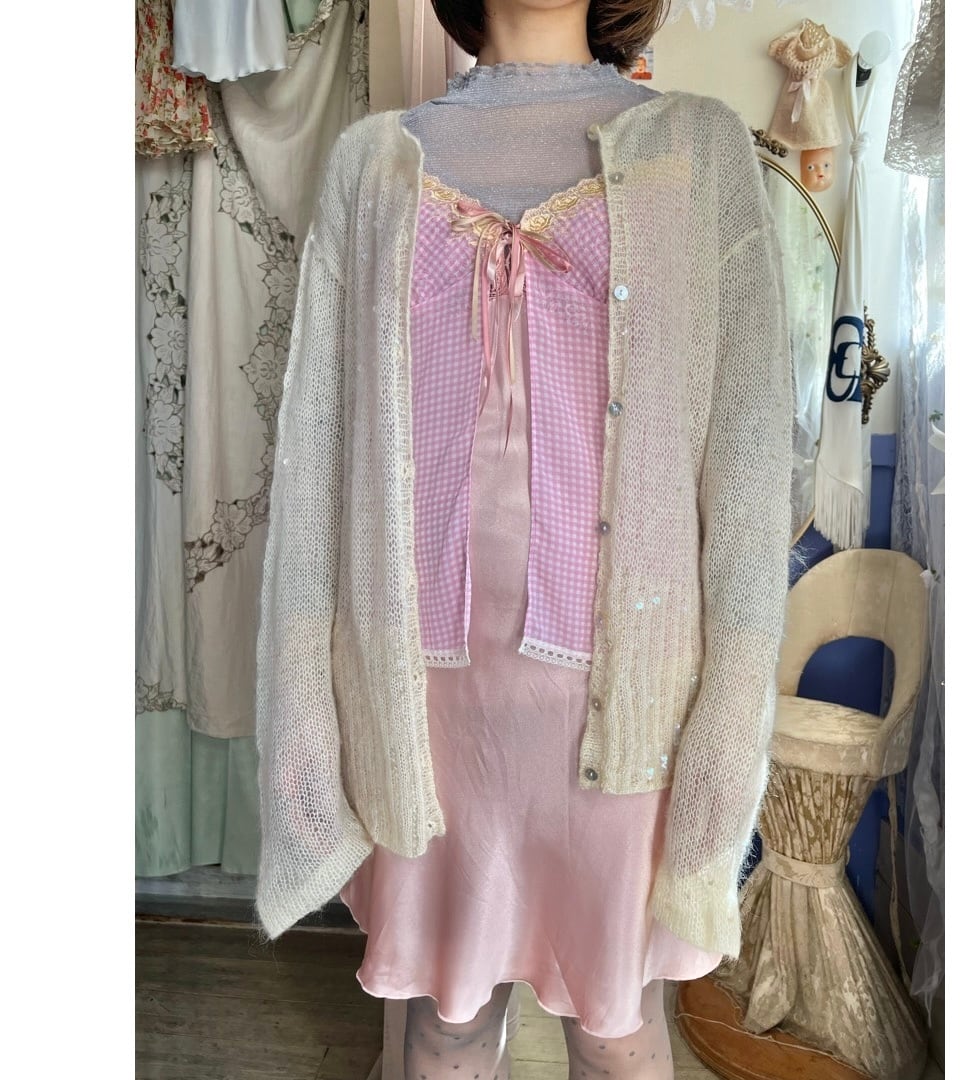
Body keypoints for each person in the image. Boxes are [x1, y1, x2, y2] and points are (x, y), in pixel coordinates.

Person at [254, 2, 794, 1078]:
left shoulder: (698, 149)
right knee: (449, 1022)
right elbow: (316, 464)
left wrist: (734, 707)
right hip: (424, 708)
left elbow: (746, 464)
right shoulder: (371, 165)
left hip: (630, 708)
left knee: (617, 1026)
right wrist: (307, 712)